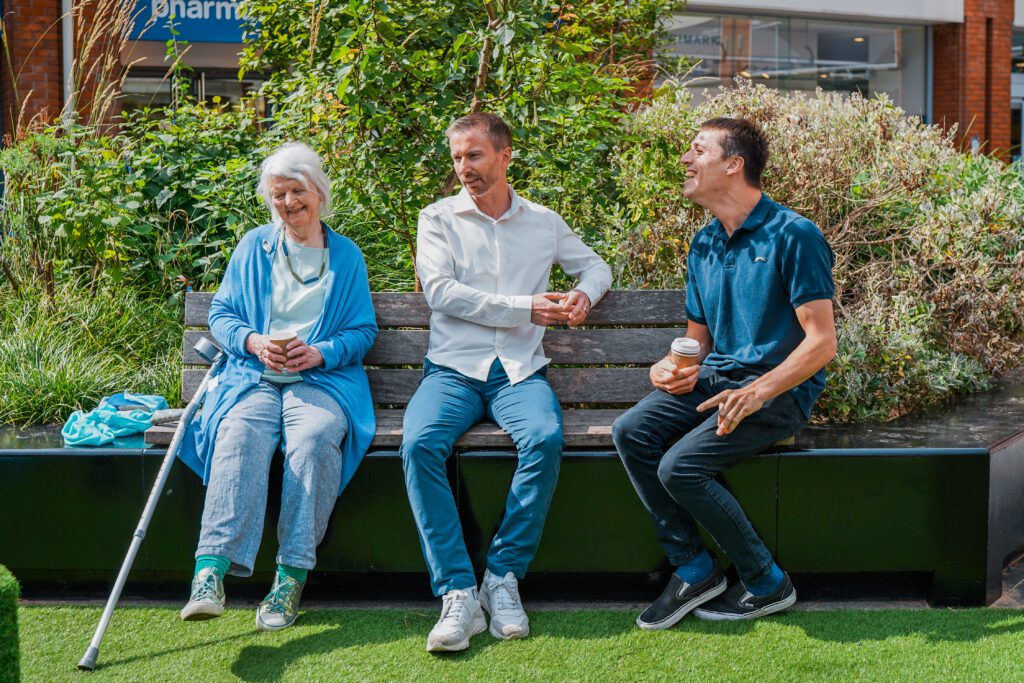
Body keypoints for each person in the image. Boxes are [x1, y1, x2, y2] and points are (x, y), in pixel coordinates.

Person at [613, 117, 836, 628]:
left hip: (780, 390)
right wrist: (674, 367)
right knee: (632, 432)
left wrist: (758, 391)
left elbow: (822, 343)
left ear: (733, 165)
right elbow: (697, 340)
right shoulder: (705, 242)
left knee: (680, 467)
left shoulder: (794, 234)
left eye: (697, 151)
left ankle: (766, 582)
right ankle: (695, 569)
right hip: (719, 382)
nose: (686, 161)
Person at [402, 113, 612, 652]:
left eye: (473, 155)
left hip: (519, 374)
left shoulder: (543, 221)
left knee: (543, 438)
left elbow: (595, 266)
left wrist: (583, 294)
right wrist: (525, 308)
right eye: (456, 157)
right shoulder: (437, 217)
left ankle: (502, 577)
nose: (463, 167)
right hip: (452, 371)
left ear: (504, 155)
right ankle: (457, 593)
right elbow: (441, 293)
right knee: (420, 444)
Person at [177, 142, 378, 631]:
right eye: (278, 195)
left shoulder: (346, 257)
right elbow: (221, 315)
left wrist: (323, 351)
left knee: (313, 439)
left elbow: (362, 330)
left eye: (296, 191)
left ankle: (289, 578)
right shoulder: (253, 247)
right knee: (239, 434)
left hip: (321, 379)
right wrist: (252, 341)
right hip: (253, 377)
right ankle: (210, 573)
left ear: (319, 192)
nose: (288, 203)